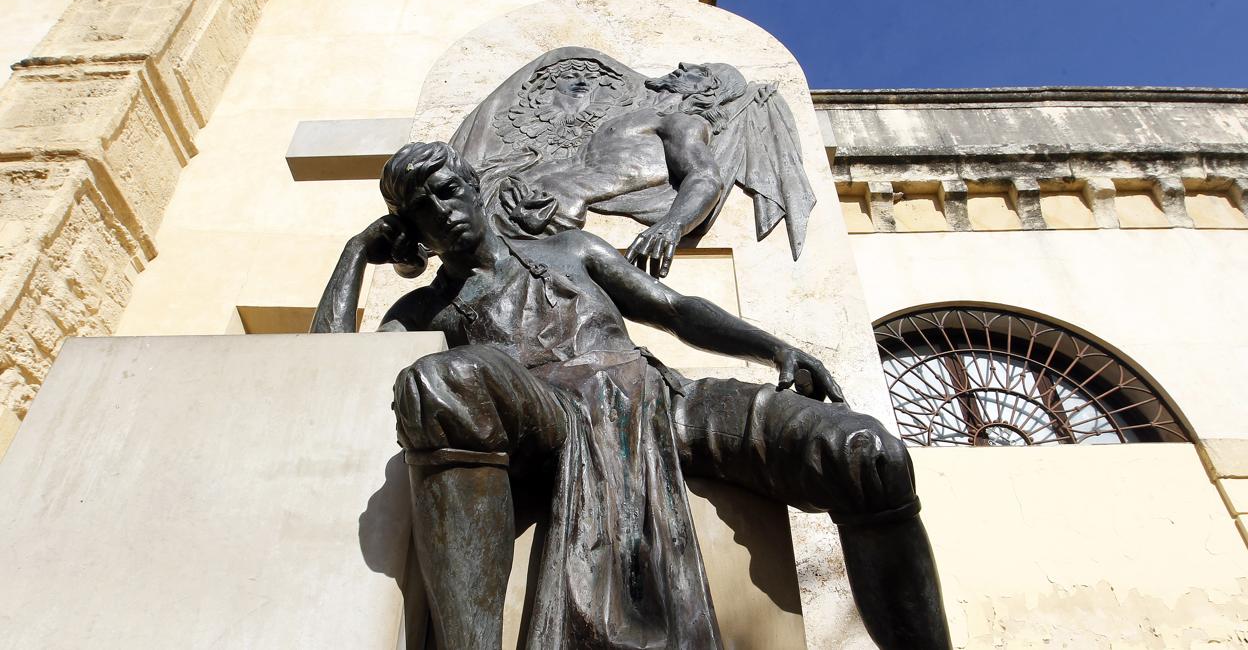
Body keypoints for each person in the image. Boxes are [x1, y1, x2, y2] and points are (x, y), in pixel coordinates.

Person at [312, 141, 951, 650]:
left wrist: (774, 348)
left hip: (661, 398)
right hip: (551, 415)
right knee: (438, 378)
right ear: (412, 230)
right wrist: (355, 253)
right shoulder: (423, 309)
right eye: (422, 208)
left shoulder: (570, 249)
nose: (443, 210)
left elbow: (675, 309)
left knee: (867, 453)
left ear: (474, 186)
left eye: (448, 189)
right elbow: (325, 367)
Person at [461, 59, 813, 277]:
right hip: (518, 198)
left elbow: (705, 177)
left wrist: (672, 225)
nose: (683, 64)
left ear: (709, 90)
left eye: (700, 71)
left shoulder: (682, 124)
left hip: (546, 214)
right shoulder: (642, 114)